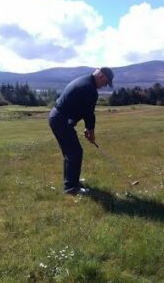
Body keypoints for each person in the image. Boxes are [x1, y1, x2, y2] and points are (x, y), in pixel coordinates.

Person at [48, 67, 114, 195]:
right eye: (106, 83)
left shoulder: (85, 81)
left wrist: (87, 129)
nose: (105, 86)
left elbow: (84, 111)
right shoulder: (89, 89)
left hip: (58, 118)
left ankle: (72, 181)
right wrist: (91, 132)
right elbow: (89, 114)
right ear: (101, 77)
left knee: (71, 153)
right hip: (60, 120)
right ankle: (71, 188)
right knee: (75, 152)